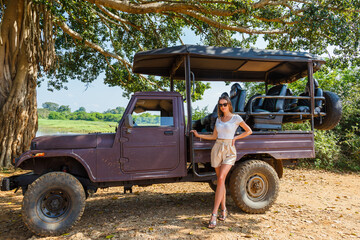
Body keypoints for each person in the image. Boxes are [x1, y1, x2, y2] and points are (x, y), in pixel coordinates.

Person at [190, 95, 252, 229]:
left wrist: (236, 138)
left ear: (229, 104)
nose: (222, 107)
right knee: (220, 180)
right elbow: (213, 136)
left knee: (222, 178)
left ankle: (213, 214)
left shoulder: (236, 118)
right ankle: (224, 209)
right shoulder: (219, 119)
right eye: (220, 105)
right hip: (217, 148)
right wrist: (198, 135)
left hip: (229, 149)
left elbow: (249, 131)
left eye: (224, 104)